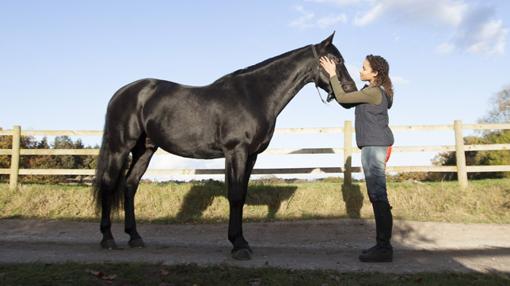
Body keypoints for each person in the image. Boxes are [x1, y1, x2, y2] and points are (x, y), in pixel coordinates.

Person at [320, 54, 395, 263]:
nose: (360, 70)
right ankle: (383, 245)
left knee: (378, 195)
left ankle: (384, 248)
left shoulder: (372, 92)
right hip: (375, 145)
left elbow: (344, 98)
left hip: (374, 146)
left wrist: (333, 74)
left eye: (364, 67)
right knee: (377, 195)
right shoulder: (372, 92)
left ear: (375, 73)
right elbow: (346, 102)